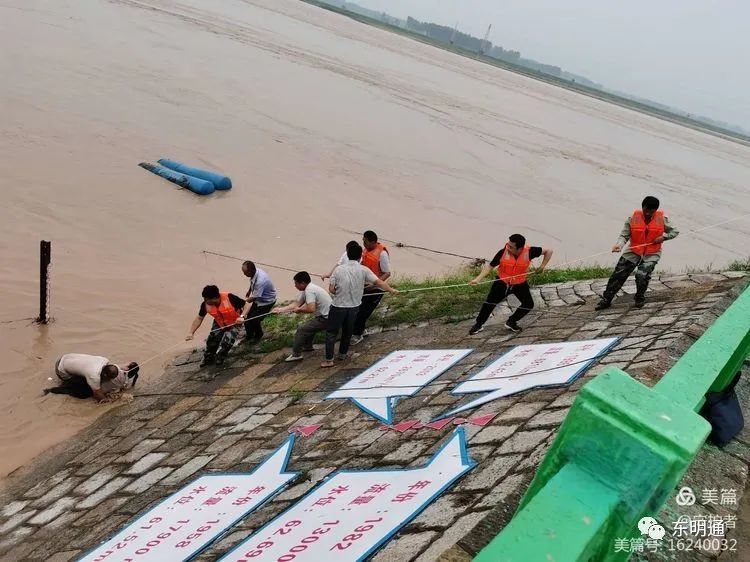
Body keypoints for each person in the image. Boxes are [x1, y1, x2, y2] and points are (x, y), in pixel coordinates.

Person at [596, 196, 679, 310]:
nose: (648, 213)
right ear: (642, 207)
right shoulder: (632, 218)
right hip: (634, 250)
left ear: (655, 210)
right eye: (646, 210)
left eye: (652, 211)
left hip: (652, 252)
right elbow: (624, 235)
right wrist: (619, 245)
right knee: (618, 274)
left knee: (642, 275)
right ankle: (606, 299)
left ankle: (639, 297)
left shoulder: (662, 219)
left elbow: (675, 231)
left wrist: (663, 237)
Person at [324, 242, 398, 368]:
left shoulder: (338, 270)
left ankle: (329, 360)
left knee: (331, 333)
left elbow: (331, 289)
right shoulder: (364, 270)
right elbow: (379, 282)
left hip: (338, 307)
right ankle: (342, 355)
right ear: (360, 257)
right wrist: (391, 290)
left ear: (347, 254)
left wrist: (340, 291)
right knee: (348, 332)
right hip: (354, 308)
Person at [468, 234, 553, 334]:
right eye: (508, 245)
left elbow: (549, 251)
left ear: (520, 248)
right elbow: (490, 266)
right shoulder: (502, 252)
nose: (507, 247)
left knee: (528, 304)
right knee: (489, 303)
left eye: (511, 247)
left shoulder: (530, 251)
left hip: (519, 283)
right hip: (502, 282)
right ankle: (478, 324)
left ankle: (511, 321)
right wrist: (477, 279)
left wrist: (542, 266)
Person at [273, 271, 332, 362]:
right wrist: (281, 309)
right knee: (309, 327)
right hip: (325, 316)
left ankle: (296, 354)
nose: (295, 286)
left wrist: (299, 310)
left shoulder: (309, 290)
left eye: (296, 283)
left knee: (302, 329)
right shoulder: (308, 288)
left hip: (327, 318)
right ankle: (308, 346)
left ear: (303, 283)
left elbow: (311, 309)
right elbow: (297, 304)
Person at [186, 285, 245, 366]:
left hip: (235, 322)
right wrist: (191, 333)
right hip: (219, 322)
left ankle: (220, 356)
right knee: (212, 340)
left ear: (214, 298)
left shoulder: (230, 297)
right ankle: (208, 357)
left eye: (206, 299)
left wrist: (242, 317)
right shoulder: (205, 304)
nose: (205, 301)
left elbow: (247, 305)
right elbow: (199, 318)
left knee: (227, 341)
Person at [351, 231, 391, 345]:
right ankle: (361, 330)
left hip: (376, 288)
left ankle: (357, 335)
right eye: (363, 240)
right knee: (357, 309)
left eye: (365, 241)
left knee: (363, 312)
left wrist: (374, 284)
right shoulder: (366, 250)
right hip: (365, 286)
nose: (363, 243)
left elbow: (387, 273)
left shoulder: (382, 254)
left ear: (373, 241)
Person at [44, 353, 139, 402]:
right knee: (78, 389)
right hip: (61, 369)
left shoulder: (104, 360)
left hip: (67, 357)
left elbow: (113, 369)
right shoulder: (94, 376)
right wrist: (114, 399)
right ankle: (51, 390)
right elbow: (99, 397)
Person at [240, 261, 277, 343]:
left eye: (245, 273)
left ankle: (258, 335)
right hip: (259, 299)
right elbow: (252, 282)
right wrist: (249, 290)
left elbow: (255, 297)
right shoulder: (255, 272)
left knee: (254, 319)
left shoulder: (261, 280)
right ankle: (249, 336)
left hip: (267, 301)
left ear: (252, 270)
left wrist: (243, 302)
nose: (244, 274)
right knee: (247, 317)